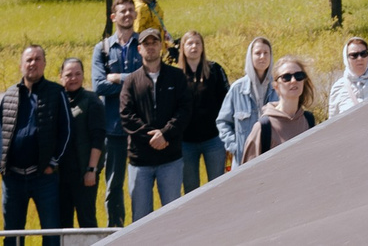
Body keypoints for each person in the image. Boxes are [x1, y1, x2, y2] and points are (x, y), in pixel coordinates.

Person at [0, 47, 68, 246]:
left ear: (44, 64)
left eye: (37, 59)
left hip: (43, 177)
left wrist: (52, 163)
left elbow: (66, 131)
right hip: (13, 179)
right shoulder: (10, 94)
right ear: (21, 65)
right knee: (13, 235)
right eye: (28, 60)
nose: (33, 63)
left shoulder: (56, 92)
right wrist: (1, 166)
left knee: (51, 234)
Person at [116, 31, 187, 222]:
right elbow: (126, 116)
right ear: (139, 49)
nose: (151, 47)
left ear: (161, 46)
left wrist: (165, 134)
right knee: (141, 219)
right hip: (140, 161)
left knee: (173, 217)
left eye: (154, 43)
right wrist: (153, 137)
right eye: (146, 44)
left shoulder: (177, 76)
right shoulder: (131, 81)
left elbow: (184, 110)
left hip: (170, 158)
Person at [88, 0, 142, 228]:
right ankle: (115, 231)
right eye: (122, 11)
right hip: (114, 128)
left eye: (131, 10)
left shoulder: (144, 44)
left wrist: (119, 77)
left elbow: (150, 79)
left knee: (141, 185)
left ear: (135, 14)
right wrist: (134, 80)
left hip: (142, 127)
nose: (127, 14)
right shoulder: (102, 49)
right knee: (113, 186)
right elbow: (99, 86)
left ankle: (142, 229)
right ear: (113, 17)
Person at [53, 64, 104, 238]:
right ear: (61, 77)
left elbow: (98, 138)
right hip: (60, 175)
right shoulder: (56, 100)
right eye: (69, 75)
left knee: (87, 221)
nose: (73, 78)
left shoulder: (92, 100)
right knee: (62, 223)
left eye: (77, 74)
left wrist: (91, 170)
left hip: (84, 174)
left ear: (83, 76)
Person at [234, 60, 316, 165]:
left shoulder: (308, 120)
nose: (293, 81)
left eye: (299, 76)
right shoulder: (263, 127)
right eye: (286, 77)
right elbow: (249, 172)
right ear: (276, 86)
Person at [174, 33, 228, 190]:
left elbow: (227, 101)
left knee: (218, 185)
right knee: (191, 189)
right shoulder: (175, 76)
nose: (194, 47)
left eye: (198, 43)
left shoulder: (215, 70)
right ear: (183, 48)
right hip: (186, 142)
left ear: (203, 47)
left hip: (214, 139)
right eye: (190, 43)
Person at [214, 40, 275, 167]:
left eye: (266, 53)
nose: (262, 57)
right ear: (250, 56)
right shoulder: (237, 89)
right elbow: (223, 122)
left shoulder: (278, 87)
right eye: (258, 53)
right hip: (243, 161)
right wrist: (235, 147)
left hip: (273, 157)